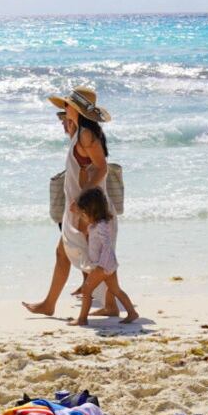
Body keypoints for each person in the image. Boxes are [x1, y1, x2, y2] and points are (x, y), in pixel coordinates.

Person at [24, 88, 128, 319]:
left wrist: (82, 201)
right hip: (81, 205)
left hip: (88, 208)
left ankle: (54, 303)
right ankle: (52, 303)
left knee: (95, 256)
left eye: (67, 106)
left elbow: (102, 167)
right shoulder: (80, 133)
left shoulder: (87, 135)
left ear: (77, 110)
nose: (64, 109)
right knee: (71, 253)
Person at [70, 187, 138, 326]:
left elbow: (107, 245)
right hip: (108, 264)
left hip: (103, 265)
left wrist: (102, 266)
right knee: (115, 290)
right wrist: (75, 210)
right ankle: (132, 313)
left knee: (86, 289)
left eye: (84, 214)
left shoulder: (101, 226)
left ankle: (82, 319)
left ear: (92, 211)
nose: (83, 216)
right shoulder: (95, 224)